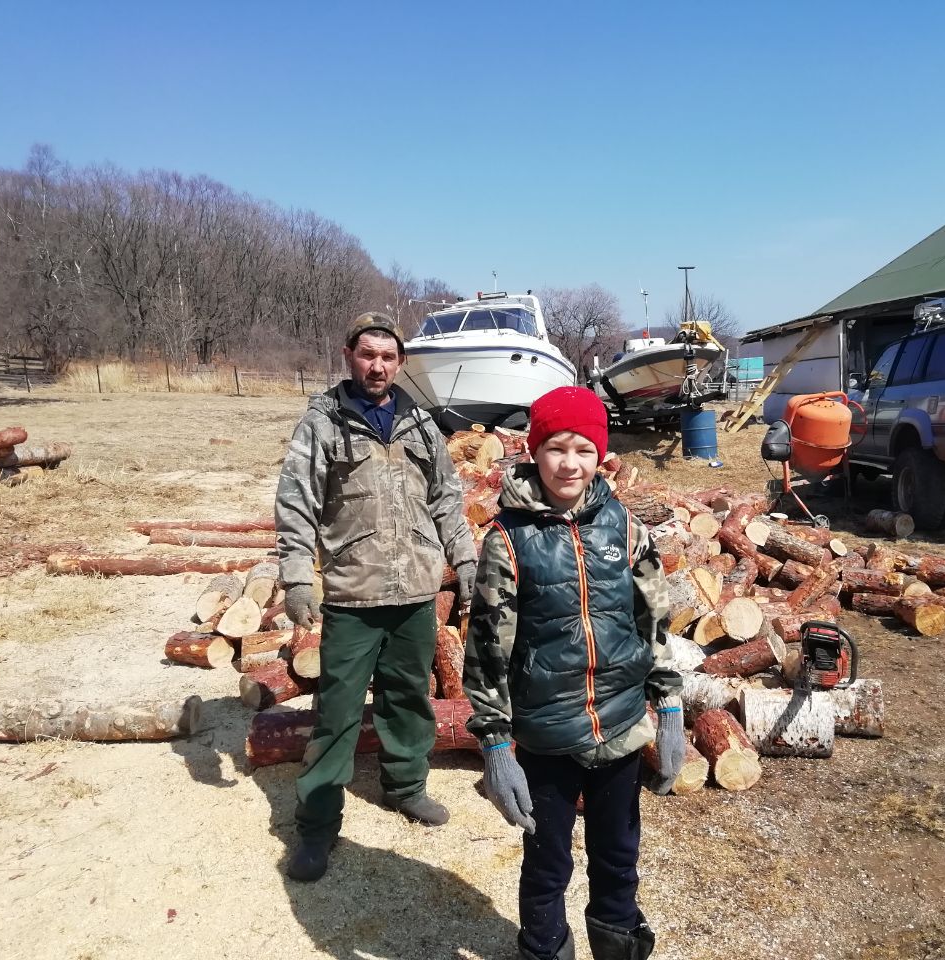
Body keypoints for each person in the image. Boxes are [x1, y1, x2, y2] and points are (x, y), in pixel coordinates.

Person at [463, 386, 684, 960]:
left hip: (620, 725)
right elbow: (487, 647)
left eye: (584, 449)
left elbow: (654, 619)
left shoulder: (627, 529)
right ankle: (544, 949)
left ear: (600, 456)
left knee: (618, 857)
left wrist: (670, 707)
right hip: (545, 737)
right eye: (557, 447)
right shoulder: (508, 540)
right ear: (535, 452)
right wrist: (494, 744)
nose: (570, 463)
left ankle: (619, 947)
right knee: (547, 864)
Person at [275, 311, 477, 883]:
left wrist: (463, 559)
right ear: (349, 356)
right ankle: (316, 827)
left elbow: (446, 499)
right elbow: (296, 503)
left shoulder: (420, 424)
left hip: (415, 591)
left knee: (407, 697)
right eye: (368, 354)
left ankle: (406, 786)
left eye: (388, 357)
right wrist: (296, 575)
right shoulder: (322, 423)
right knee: (336, 712)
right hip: (353, 594)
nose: (378, 365)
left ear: (400, 363)